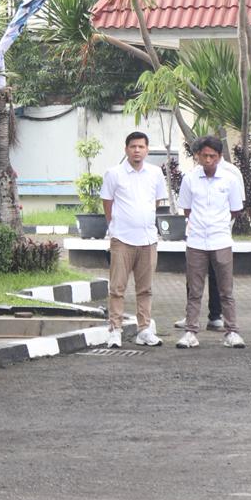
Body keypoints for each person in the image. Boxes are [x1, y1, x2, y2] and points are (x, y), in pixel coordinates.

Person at [176, 137, 245, 349]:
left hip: (221, 240)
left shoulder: (230, 179)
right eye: (204, 155)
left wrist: (218, 224)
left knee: (226, 291)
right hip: (196, 241)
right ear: (198, 156)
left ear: (219, 156)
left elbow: (235, 209)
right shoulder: (189, 179)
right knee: (194, 291)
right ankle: (190, 332)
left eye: (212, 156)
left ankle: (232, 332)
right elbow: (187, 209)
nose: (208, 160)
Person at [102, 131, 168, 347]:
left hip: (148, 240)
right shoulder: (114, 174)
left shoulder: (155, 173)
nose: (137, 150)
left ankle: (144, 330)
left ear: (147, 150)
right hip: (122, 239)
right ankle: (115, 330)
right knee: (117, 288)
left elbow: (156, 202)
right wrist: (114, 227)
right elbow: (107, 203)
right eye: (133, 147)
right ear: (126, 149)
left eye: (141, 147)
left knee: (145, 289)